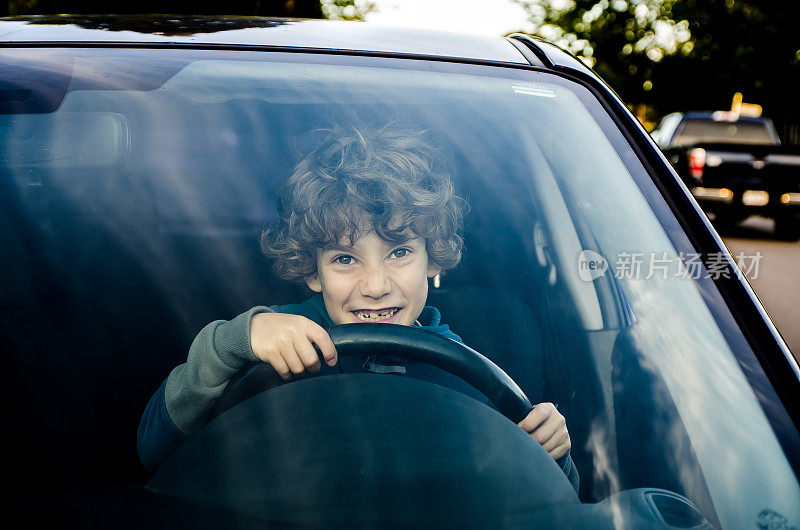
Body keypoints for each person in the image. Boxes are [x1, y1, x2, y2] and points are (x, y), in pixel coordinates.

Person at [137, 120, 578, 491]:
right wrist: (234, 341)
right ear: (313, 271)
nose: (375, 286)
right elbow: (154, 449)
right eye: (345, 259)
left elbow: (548, 498)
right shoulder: (277, 341)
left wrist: (553, 453)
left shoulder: (469, 374)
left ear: (433, 257)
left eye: (399, 252)